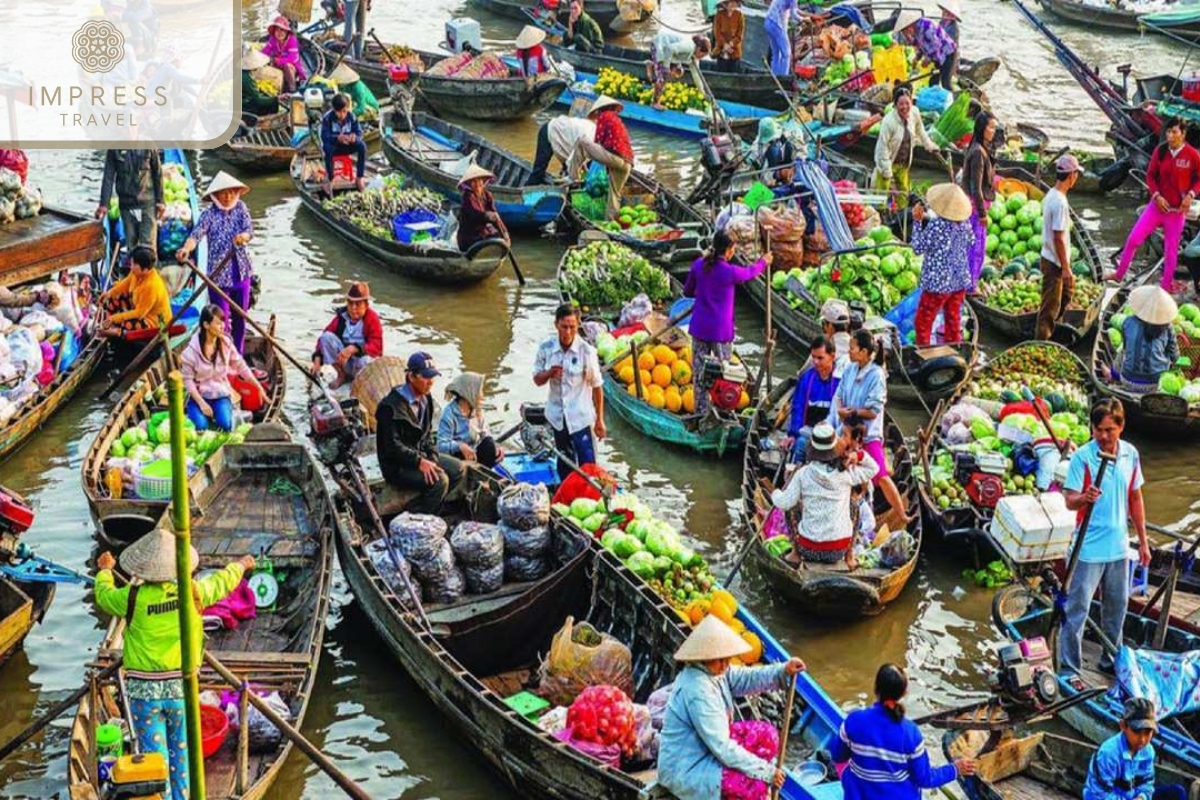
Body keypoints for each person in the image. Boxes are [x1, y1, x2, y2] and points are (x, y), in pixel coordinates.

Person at [95, 530, 254, 800]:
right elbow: (222, 582)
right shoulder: (192, 591)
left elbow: (104, 595)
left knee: (155, 759)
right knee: (182, 755)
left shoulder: (132, 597)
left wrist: (105, 571)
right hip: (181, 690)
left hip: (144, 695)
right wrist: (241, 564)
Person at [656, 615, 807, 800]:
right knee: (752, 785)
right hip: (687, 767)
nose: (726, 664)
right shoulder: (697, 690)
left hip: (708, 748)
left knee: (767, 735)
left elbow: (746, 678)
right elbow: (722, 747)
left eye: (727, 659)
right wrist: (766, 772)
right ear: (704, 658)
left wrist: (782, 671)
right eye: (720, 660)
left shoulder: (716, 672)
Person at [1060, 398, 1150, 684]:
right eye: (1098, 429)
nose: (1102, 436)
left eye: (1109, 430)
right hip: (1087, 550)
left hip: (1118, 548)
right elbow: (1069, 501)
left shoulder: (1130, 455)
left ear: (1121, 427)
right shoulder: (1083, 458)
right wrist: (1083, 497)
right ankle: (1069, 669)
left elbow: (1135, 498)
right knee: (1077, 611)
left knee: (1116, 608)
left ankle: (1109, 659)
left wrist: (1144, 542)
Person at [834, 663, 975, 798]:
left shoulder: (853, 721)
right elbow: (924, 779)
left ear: (876, 687)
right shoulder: (911, 734)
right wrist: (955, 769)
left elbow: (837, 756)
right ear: (903, 694)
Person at [683, 230, 771, 415]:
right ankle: (721, 410)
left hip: (700, 327)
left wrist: (704, 293)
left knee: (700, 373)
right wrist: (764, 262)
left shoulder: (699, 265)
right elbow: (750, 272)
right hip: (721, 332)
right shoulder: (730, 272)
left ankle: (701, 411)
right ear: (730, 250)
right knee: (725, 374)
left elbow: (688, 291)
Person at [1108, 118, 1200, 290]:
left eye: (1174, 132)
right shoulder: (1161, 151)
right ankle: (1119, 274)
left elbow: (1198, 180)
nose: (1170, 136)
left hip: (1176, 212)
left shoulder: (1192, 156)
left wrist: (1191, 194)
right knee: (1134, 239)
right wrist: (1156, 195)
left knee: (1171, 251)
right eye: (1168, 132)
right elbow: (1151, 176)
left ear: (1183, 134)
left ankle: (1166, 285)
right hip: (1156, 208)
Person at [772, 423, 878, 568]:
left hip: (808, 549)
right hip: (838, 550)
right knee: (854, 506)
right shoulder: (847, 474)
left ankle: (795, 554)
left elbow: (783, 503)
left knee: (792, 506)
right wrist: (858, 455)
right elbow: (874, 468)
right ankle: (850, 557)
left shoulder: (803, 473)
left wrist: (775, 493)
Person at [174, 171, 255, 353]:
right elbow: (195, 236)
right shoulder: (208, 215)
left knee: (241, 317)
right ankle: (223, 358)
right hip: (218, 277)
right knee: (220, 323)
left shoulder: (241, 208)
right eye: (224, 193)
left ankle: (239, 355)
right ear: (215, 195)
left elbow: (249, 230)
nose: (228, 196)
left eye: (232, 192)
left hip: (241, 273)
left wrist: (243, 237)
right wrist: (186, 249)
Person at [376, 352, 466, 514]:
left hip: (419, 455)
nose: (430, 382)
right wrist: (419, 462)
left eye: (432, 377)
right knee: (440, 481)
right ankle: (423, 518)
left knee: (458, 468)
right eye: (425, 377)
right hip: (397, 465)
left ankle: (426, 506)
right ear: (411, 376)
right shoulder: (389, 408)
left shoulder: (426, 399)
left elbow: (428, 435)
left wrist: (431, 457)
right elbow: (392, 448)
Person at [832, 330, 908, 522]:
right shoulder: (850, 368)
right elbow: (839, 394)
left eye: (852, 348)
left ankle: (902, 515)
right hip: (847, 430)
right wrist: (841, 411)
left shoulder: (876, 375)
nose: (849, 351)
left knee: (881, 475)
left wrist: (852, 412)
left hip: (868, 434)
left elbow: (874, 411)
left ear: (864, 352)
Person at [533, 304, 606, 481]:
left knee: (588, 466)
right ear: (556, 324)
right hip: (557, 417)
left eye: (572, 327)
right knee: (564, 461)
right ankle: (566, 495)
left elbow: (597, 387)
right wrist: (550, 373)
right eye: (564, 326)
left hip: (580, 418)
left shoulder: (586, 352)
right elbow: (537, 379)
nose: (567, 332)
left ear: (577, 325)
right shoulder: (546, 348)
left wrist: (600, 421)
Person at [180, 305, 264, 432]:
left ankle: (228, 413)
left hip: (220, 394)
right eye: (218, 323)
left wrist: (258, 386)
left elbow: (241, 366)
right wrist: (202, 404)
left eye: (222, 323)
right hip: (199, 396)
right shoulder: (191, 352)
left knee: (225, 425)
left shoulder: (226, 344)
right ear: (206, 325)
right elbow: (188, 381)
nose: (222, 326)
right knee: (200, 427)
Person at [1083, 698, 1187, 800]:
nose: (1142, 739)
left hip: (1131, 795)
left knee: (1177, 792)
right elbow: (1100, 795)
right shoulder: (1108, 754)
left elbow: (1147, 783)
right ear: (1123, 726)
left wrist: (1142, 797)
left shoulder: (1148, 751)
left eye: (1147, 733)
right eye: (1136, 732)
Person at [911, 183, 974, 346]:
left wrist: (917, 223)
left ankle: (924, 354)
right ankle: (955, 350)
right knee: (953, 321)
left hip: (938, 283)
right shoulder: (964, 224)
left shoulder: (937, 226)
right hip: (958, 281)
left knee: (923, 323)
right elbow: (971, 241)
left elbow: (917, 248)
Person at [1036, 154, 1084, 340]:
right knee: (1049, 308)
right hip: (1054, 261)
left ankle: (1053, 333)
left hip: (1049, 257)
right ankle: (1041, 342)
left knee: (1065, 296)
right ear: (1071, 175)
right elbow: (1058, 237)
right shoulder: (1060, 202)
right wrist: (1065, 267)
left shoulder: (1051, 195)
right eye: (1076, 175)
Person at [874, 87, 940, 208]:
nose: (904, 107)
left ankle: (902, 213)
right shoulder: (889, 122)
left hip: (904, 161)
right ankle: (880, 214)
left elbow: (920, 130)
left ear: (911, 102)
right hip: (888, 160)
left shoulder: (914, 112)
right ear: (895, 105)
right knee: (882, 192)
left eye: (907, 103)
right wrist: (886, 169)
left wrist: (929, 145)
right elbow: (882, 147)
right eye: (901, 104)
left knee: (904, 191)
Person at [571, 96, 634, 219]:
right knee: (615, 195)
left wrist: (586, 159)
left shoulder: (604, 116)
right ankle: (611, 223)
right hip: (627, 164)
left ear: (600, 110)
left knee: (581, 141)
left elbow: (597, 143)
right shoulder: (617, 120)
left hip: (615, 159)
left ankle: (573, 177)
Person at [312, 281, 384, 388]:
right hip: (343, 363)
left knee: (365, 361)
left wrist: (355, 348)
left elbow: (377, 347)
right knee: (326, 337)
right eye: (350, 303)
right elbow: (323, 339)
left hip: (359, 364)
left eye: (358, 304)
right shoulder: (342, 317)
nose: (353, 308)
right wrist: (317, 361)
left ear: (366, 305)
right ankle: (339, 374)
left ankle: (359, 385)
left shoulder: (372, 319)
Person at [97, 148, 163, 258]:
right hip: (126, 204)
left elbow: (158, 173)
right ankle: (133, 272)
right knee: (131, 245)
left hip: (147, 203)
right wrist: (104, 204)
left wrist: (160, 201)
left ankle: (150, 272)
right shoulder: (114, 150)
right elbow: (108, 177)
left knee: (148, 247)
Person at [97, 246, 172, 337]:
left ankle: (116, 331)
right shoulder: (136, 272)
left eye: (133, 265)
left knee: (127, 324)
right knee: (113, 298)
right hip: (138, 306)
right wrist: (109, 293)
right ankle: (106, 323)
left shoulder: (152, 286)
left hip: (153, 322)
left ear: (145, 269)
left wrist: (114, 318)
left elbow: (139, 314)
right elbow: (126, 283)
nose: (131, 267)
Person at [1116, 285, 1179, 391]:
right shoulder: (1168, 327)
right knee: (1167, 356)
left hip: (1128, 380)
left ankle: (1113, 375)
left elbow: (1126, 348)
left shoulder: (1128, 322)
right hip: (1156, 384)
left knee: (1121, 350)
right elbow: (1175, 357)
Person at [786, 336, 840, 462]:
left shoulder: (840, 380)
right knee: (799, 445)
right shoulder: (807, 378)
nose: (815, 362)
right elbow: (797, 407)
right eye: (813, 357)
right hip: (809, 431)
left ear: (832, 356)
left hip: (832, 434)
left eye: (820, 358)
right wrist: (793, 434)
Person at [960, 112, 996, 290]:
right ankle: (970, 286)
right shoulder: (978, 153)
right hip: (974, 209)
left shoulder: (978, 148)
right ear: (982, 129)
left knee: (973, 246)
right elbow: (976, 187)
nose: (993, 131)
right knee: (975, 249)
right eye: (990, 127)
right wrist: (982, 214)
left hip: (973, 206)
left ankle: (968, 282)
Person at [439, 372, 504, 468]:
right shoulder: (449, 414)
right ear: (469, 392)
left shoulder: (476, 411)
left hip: (473, 454)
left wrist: (497, 447)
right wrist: (460, 446)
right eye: (479, 391)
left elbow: (485, 434)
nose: (482, 395)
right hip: (456, 458)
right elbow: (441, 445)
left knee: (490, 444)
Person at [893, 9, 957, 93]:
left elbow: (936, 45)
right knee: (933, 83)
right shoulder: (916, 30)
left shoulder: (926, 26)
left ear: (909, 27)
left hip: (947, 52)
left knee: (945, 83)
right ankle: (934, 101)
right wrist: (917, 57)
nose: (906, 34)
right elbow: (921, 45)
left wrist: (928, 59)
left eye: (905, 31)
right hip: (937, 57)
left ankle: (954, 101)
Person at [646, 33, 711, 110]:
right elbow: (669, 48)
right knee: (663, 77)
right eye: (703, 55)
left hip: (671, 54)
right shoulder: (689, 46)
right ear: (699, 49)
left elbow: (696, 75)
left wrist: (702, 93)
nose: (702, 58)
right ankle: (655, 103)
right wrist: (666, 67)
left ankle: (651, 65)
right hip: (660, 45)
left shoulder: (695, 57)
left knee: (679, 71)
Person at [526, 114, 596, 185]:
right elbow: (573, 159)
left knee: (574, 173)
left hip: (566, 138)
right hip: (550, 130)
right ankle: (526, 189)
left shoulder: (594, 133)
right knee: (538, 172)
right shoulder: (588, 139)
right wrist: (574, 177)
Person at [320, 94, 368, 195]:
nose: (342, 115)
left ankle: (359, 177)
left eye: (344, 111)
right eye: (339, 112)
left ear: (347, 109)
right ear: (334, 110)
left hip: (348, 145)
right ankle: (330, 179)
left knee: (362, 146)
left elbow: (359, 132)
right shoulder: (327, 118)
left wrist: (354, 137)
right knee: (327, 148)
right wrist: (337, 138)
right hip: (335, 147)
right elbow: (324, 137)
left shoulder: (352, 116)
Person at [457, 164, 510, 252]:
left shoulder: (487, 195)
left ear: (483, 181)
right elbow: (475, 215)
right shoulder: (468, 197)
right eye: (473, 182)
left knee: (498, 236)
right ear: (469, 184)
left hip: (482, 232)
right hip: (469, 236)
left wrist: (505, 233)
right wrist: (488, 216)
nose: (477, 184)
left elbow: (495, 216)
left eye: (479, 181)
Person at [261, 15, 305, 93]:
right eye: (277, 30)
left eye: (282, 30)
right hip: (278, 66)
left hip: (292, 69)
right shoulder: (273, 40)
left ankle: (293, 89)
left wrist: (276, 60)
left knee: (287, 66)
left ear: (286, 31)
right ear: (274, 32)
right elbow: (265, 51)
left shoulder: (292, 40)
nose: (279, 33)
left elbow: (292, 59)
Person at [764, 0, 799, 77]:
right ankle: (783, 78)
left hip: (768, 22)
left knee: (776, 54)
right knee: (786, 54)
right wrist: (804, 19)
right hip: (777, 24)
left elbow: (794, 11)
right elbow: (794, 14)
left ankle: (774, 77)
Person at [240, 50, 279, 118]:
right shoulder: (247, 78)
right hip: (244, 107)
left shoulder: (244, 73)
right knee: (273, 103)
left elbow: (254, 93)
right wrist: (276, 99)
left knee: (267, 95)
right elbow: (258, 100)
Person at [712, 0, 745, 73]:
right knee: (721, 70)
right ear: (725, 4)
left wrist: (731, 44)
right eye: (731, 2)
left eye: (735, 2)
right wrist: (724, 45)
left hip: (735, 49)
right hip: (721, 49)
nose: (733, 4)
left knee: (734, 71)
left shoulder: (739, 15)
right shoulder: (719, 15)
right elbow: (717, 33)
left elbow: (740, 34)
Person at [936, 0, 961, 91]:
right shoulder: (942, 22)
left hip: (950, 56)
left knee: (946, 82)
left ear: (952, 15)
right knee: (938, 77)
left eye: (948, 12)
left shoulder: (953, 28)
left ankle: (952, 96)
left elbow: (947, 44)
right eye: (944, 11)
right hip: (941, 55)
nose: (945, 14)